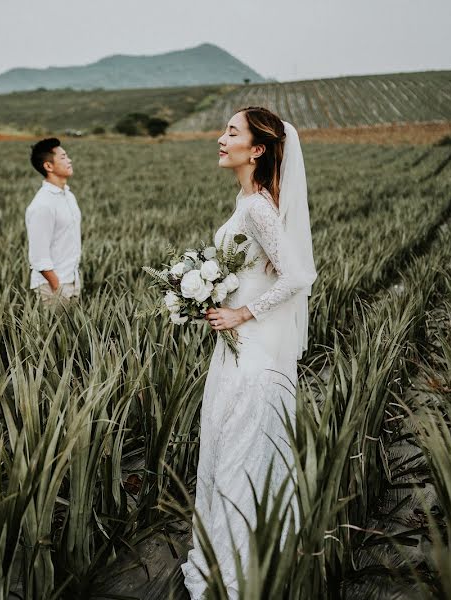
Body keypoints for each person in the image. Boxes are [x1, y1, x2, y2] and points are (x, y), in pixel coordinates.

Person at [181, 107, 317, 599]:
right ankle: (234, 558)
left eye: (232, 132)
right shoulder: (248, 203)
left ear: (257, 149)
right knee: (230, 451)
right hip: (235, 352)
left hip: (253, 356)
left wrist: (243, 314)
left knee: (239, 452)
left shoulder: (258, 207)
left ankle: (237, 574)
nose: (221, 139)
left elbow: (298, 276)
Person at [25, 138, 82, 304]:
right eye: (63, 157)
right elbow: (38, 256)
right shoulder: (42, 205)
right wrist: (57, 286)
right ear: (48, 166)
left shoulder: (68, 196)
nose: (69, 160)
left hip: (72, 280)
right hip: (53, 287)